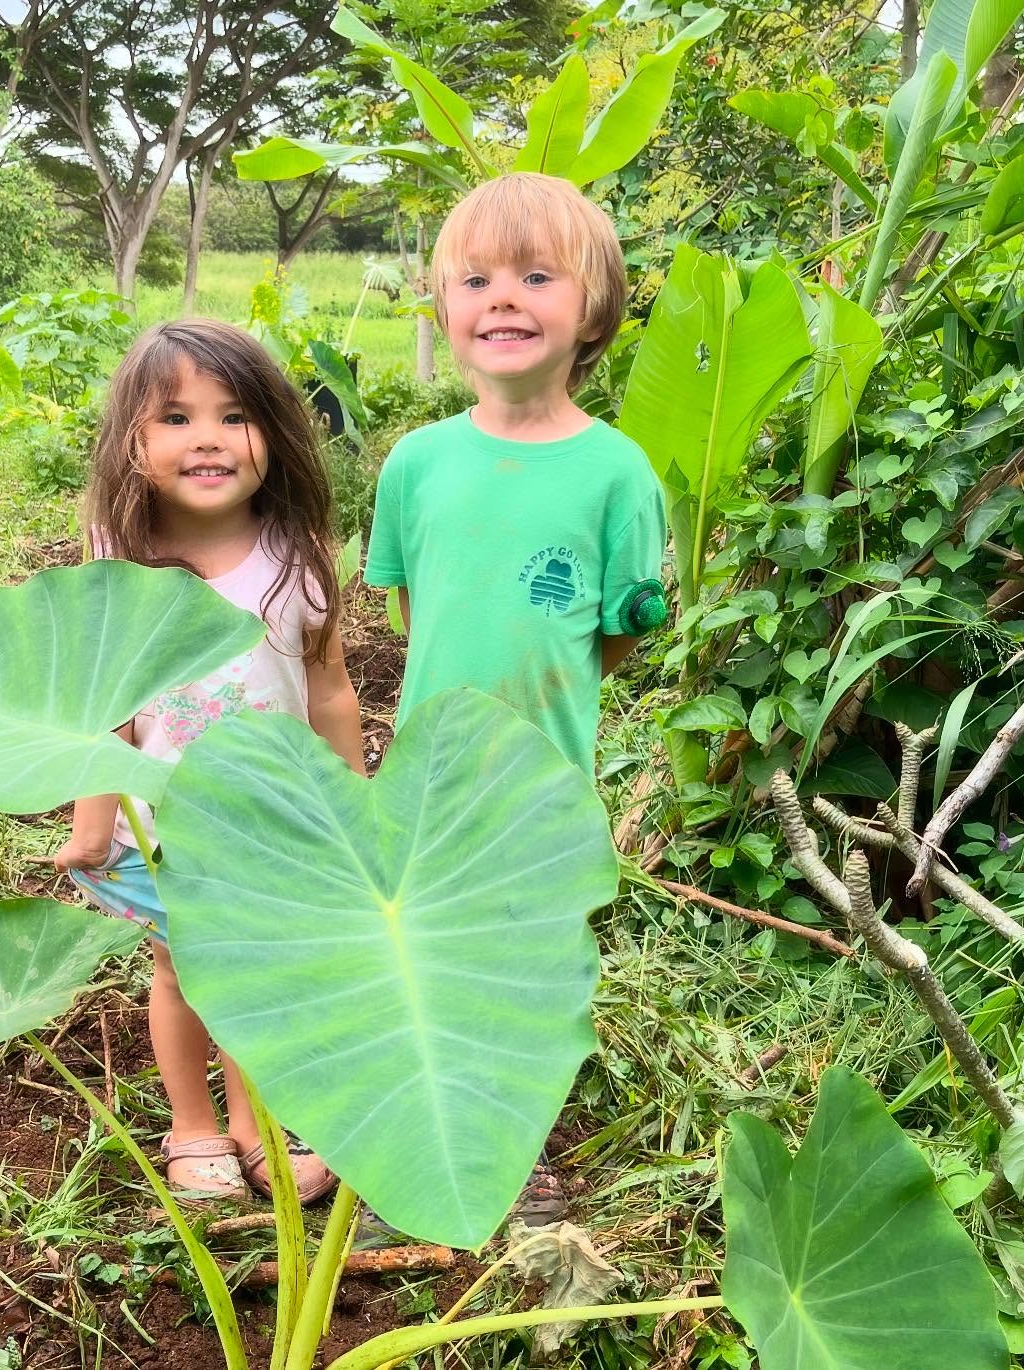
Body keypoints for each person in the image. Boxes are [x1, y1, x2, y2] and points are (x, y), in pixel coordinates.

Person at [363, 172, 667, 1223]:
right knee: (423, 952)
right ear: (444, 307)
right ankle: (414, 1122)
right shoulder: (414, 464)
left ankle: (515, 1144)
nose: (503, 299)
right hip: (427, 774)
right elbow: (411, 610)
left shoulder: (618, 474)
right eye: (476, 279)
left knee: (528, 967)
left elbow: (620, 633)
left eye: (538, 276)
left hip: (544, 782)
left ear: (592, 310)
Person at [54, 318, 365, 1203]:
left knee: (264, 976)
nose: (209, 439)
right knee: (184, 971)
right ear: (135, 444)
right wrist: (92, 823)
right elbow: (107, 707)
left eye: (234, 416)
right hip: (169, 826)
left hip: (276, 823)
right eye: (177, 418)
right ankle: (193, 1124)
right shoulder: (126, 564)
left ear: (274, 432)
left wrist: (355, 801)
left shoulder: (295, 560)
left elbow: (330, 687)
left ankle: (257, 1120)